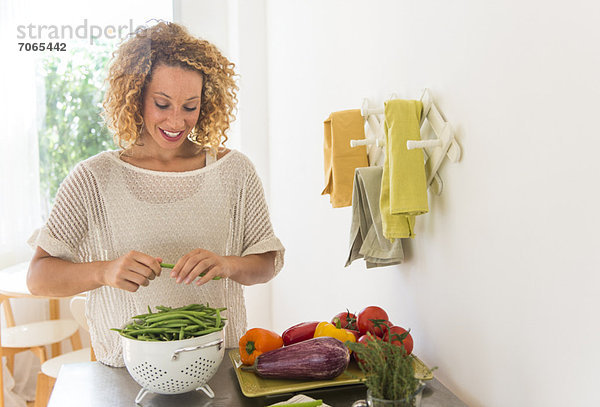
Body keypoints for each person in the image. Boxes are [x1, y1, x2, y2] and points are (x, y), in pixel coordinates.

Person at [26, 21, 284, 367]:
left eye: (190, 106)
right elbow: (38, 277)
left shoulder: (234, 171)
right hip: (129, 368)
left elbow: (265, 263)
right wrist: (104, 272)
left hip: (216, 362)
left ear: (205, 103)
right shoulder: (93, 178)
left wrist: (227, 264)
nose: (176, 121)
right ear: (136, 98)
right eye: (162, 104)